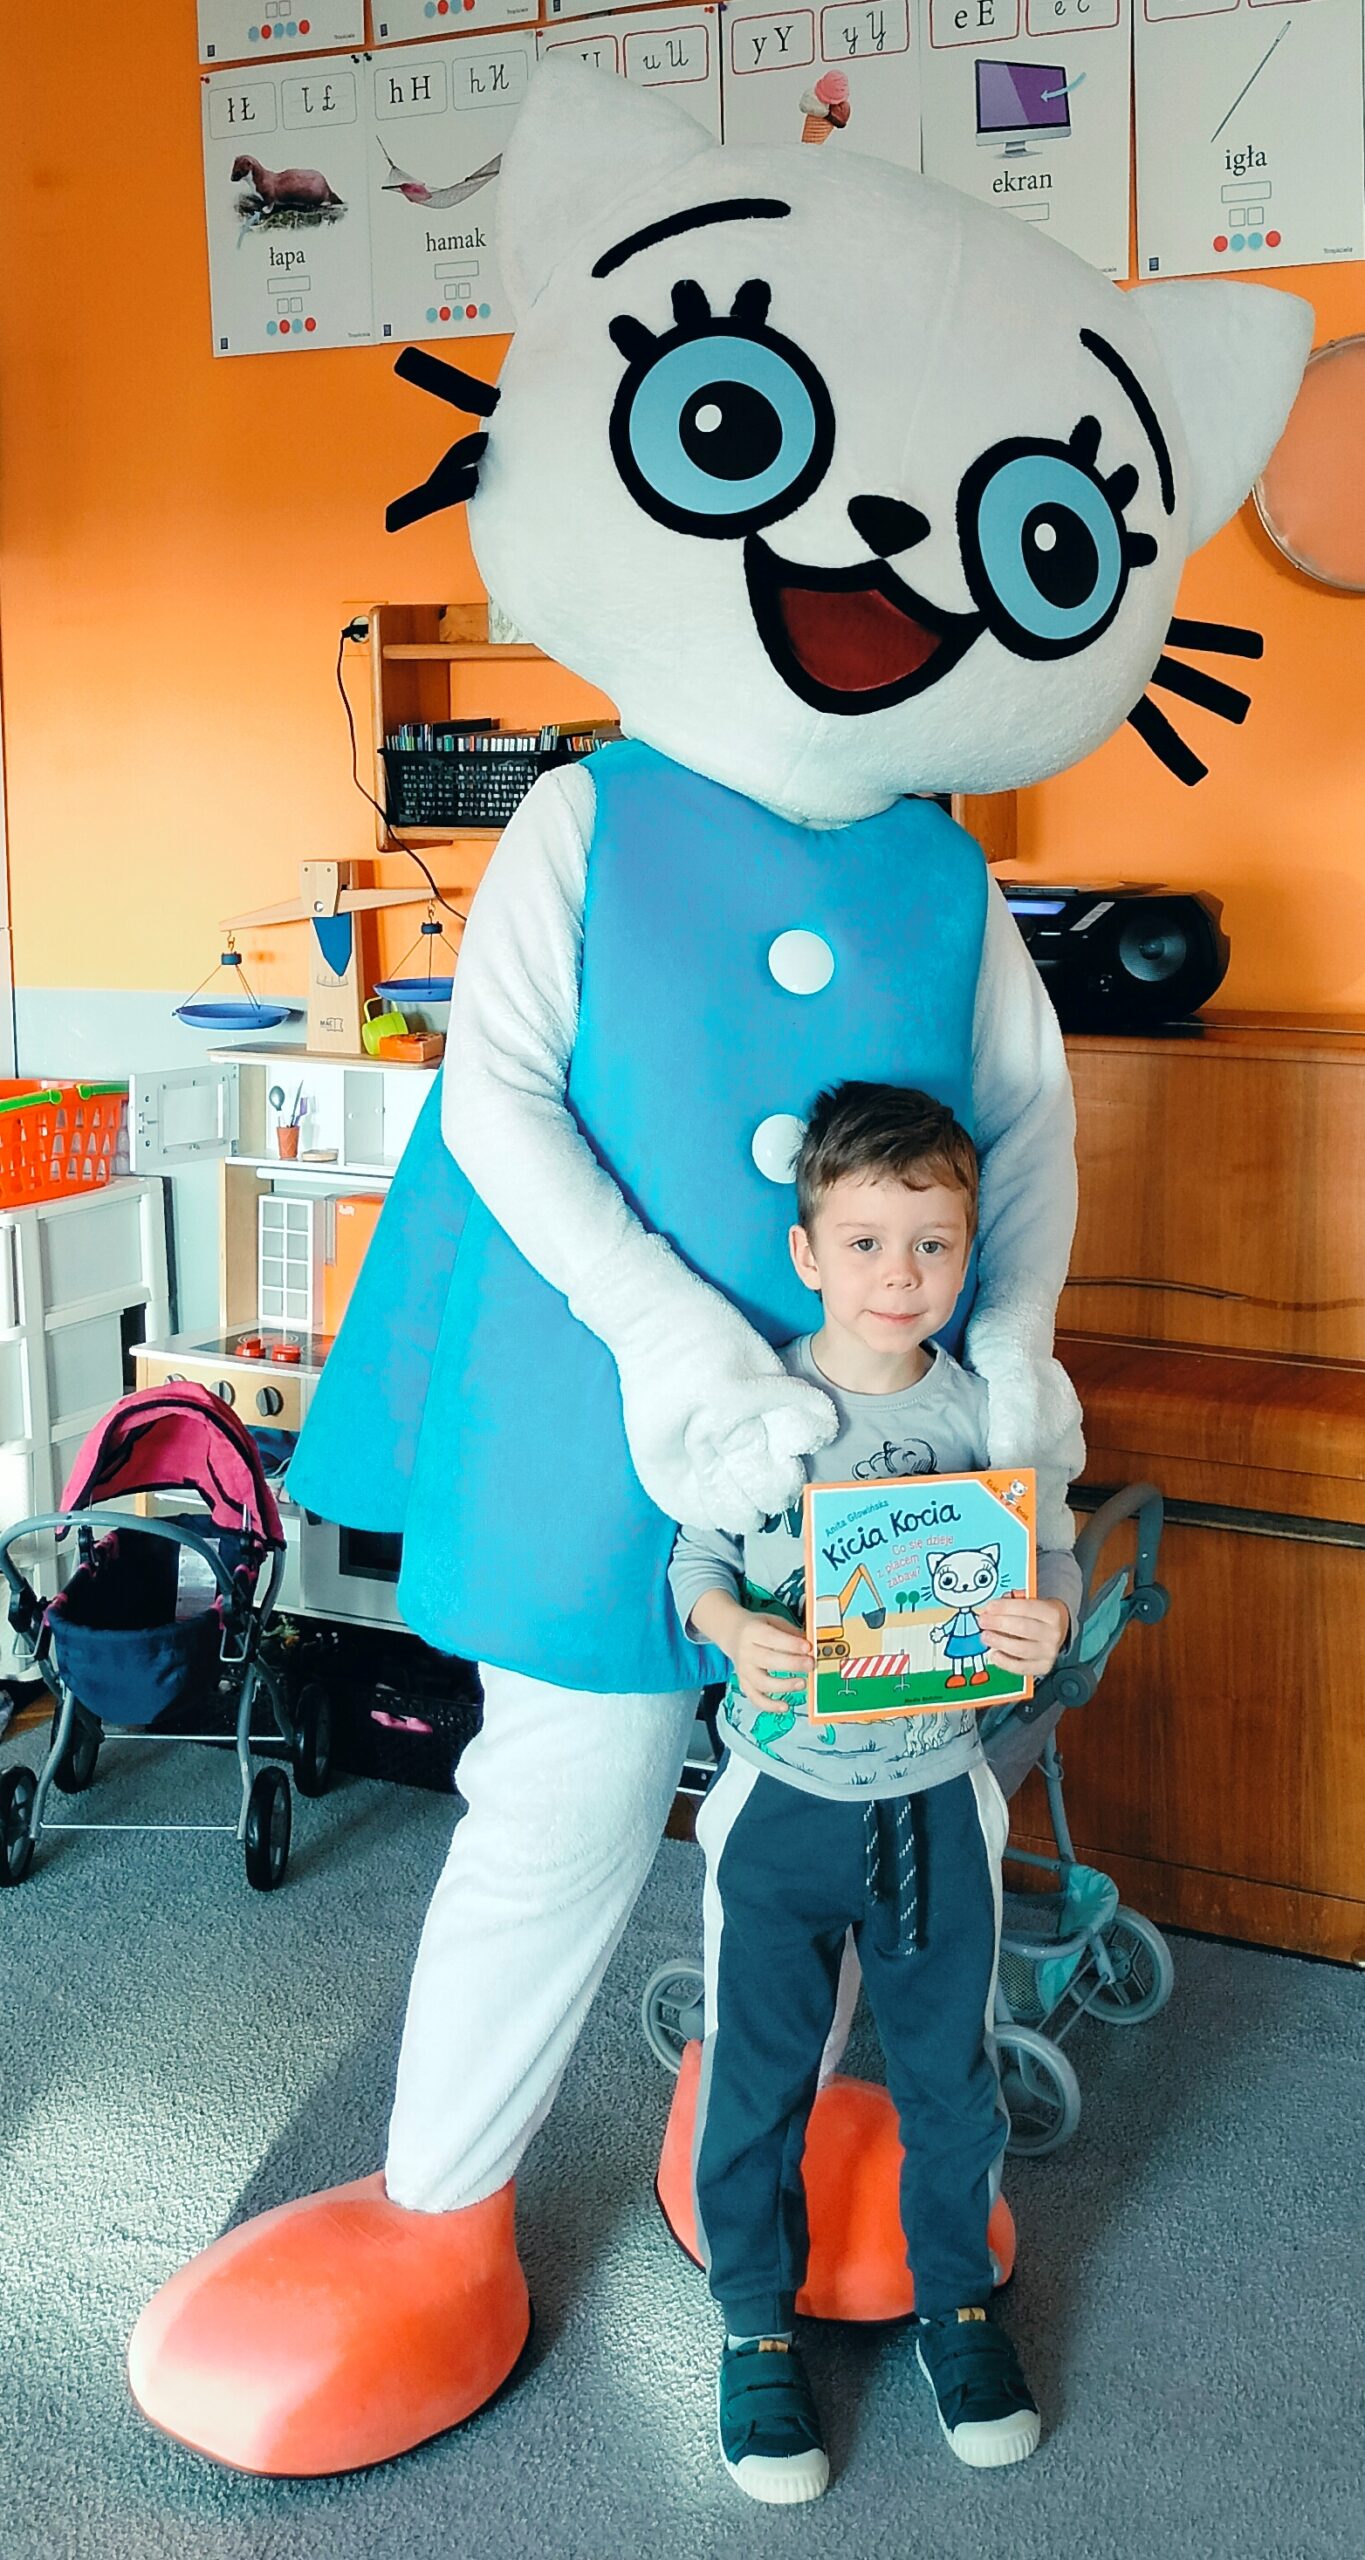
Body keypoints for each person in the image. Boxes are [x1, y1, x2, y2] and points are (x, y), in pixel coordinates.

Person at [670, 1081, 1081, 2507]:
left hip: (935, 1803)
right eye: (863, 1244)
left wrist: (1045, 1617)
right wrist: (735, 1631)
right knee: (756, 2077)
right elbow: (692, 1560)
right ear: (806, 1253)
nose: (898, 1276)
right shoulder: (762, 1412)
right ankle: (753, 2327)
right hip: (780, 1804)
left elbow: (1046, 1558)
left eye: (931, 1245)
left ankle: (957, 2306)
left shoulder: (987, 1414)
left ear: (967, 1254)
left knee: (948, 2075)